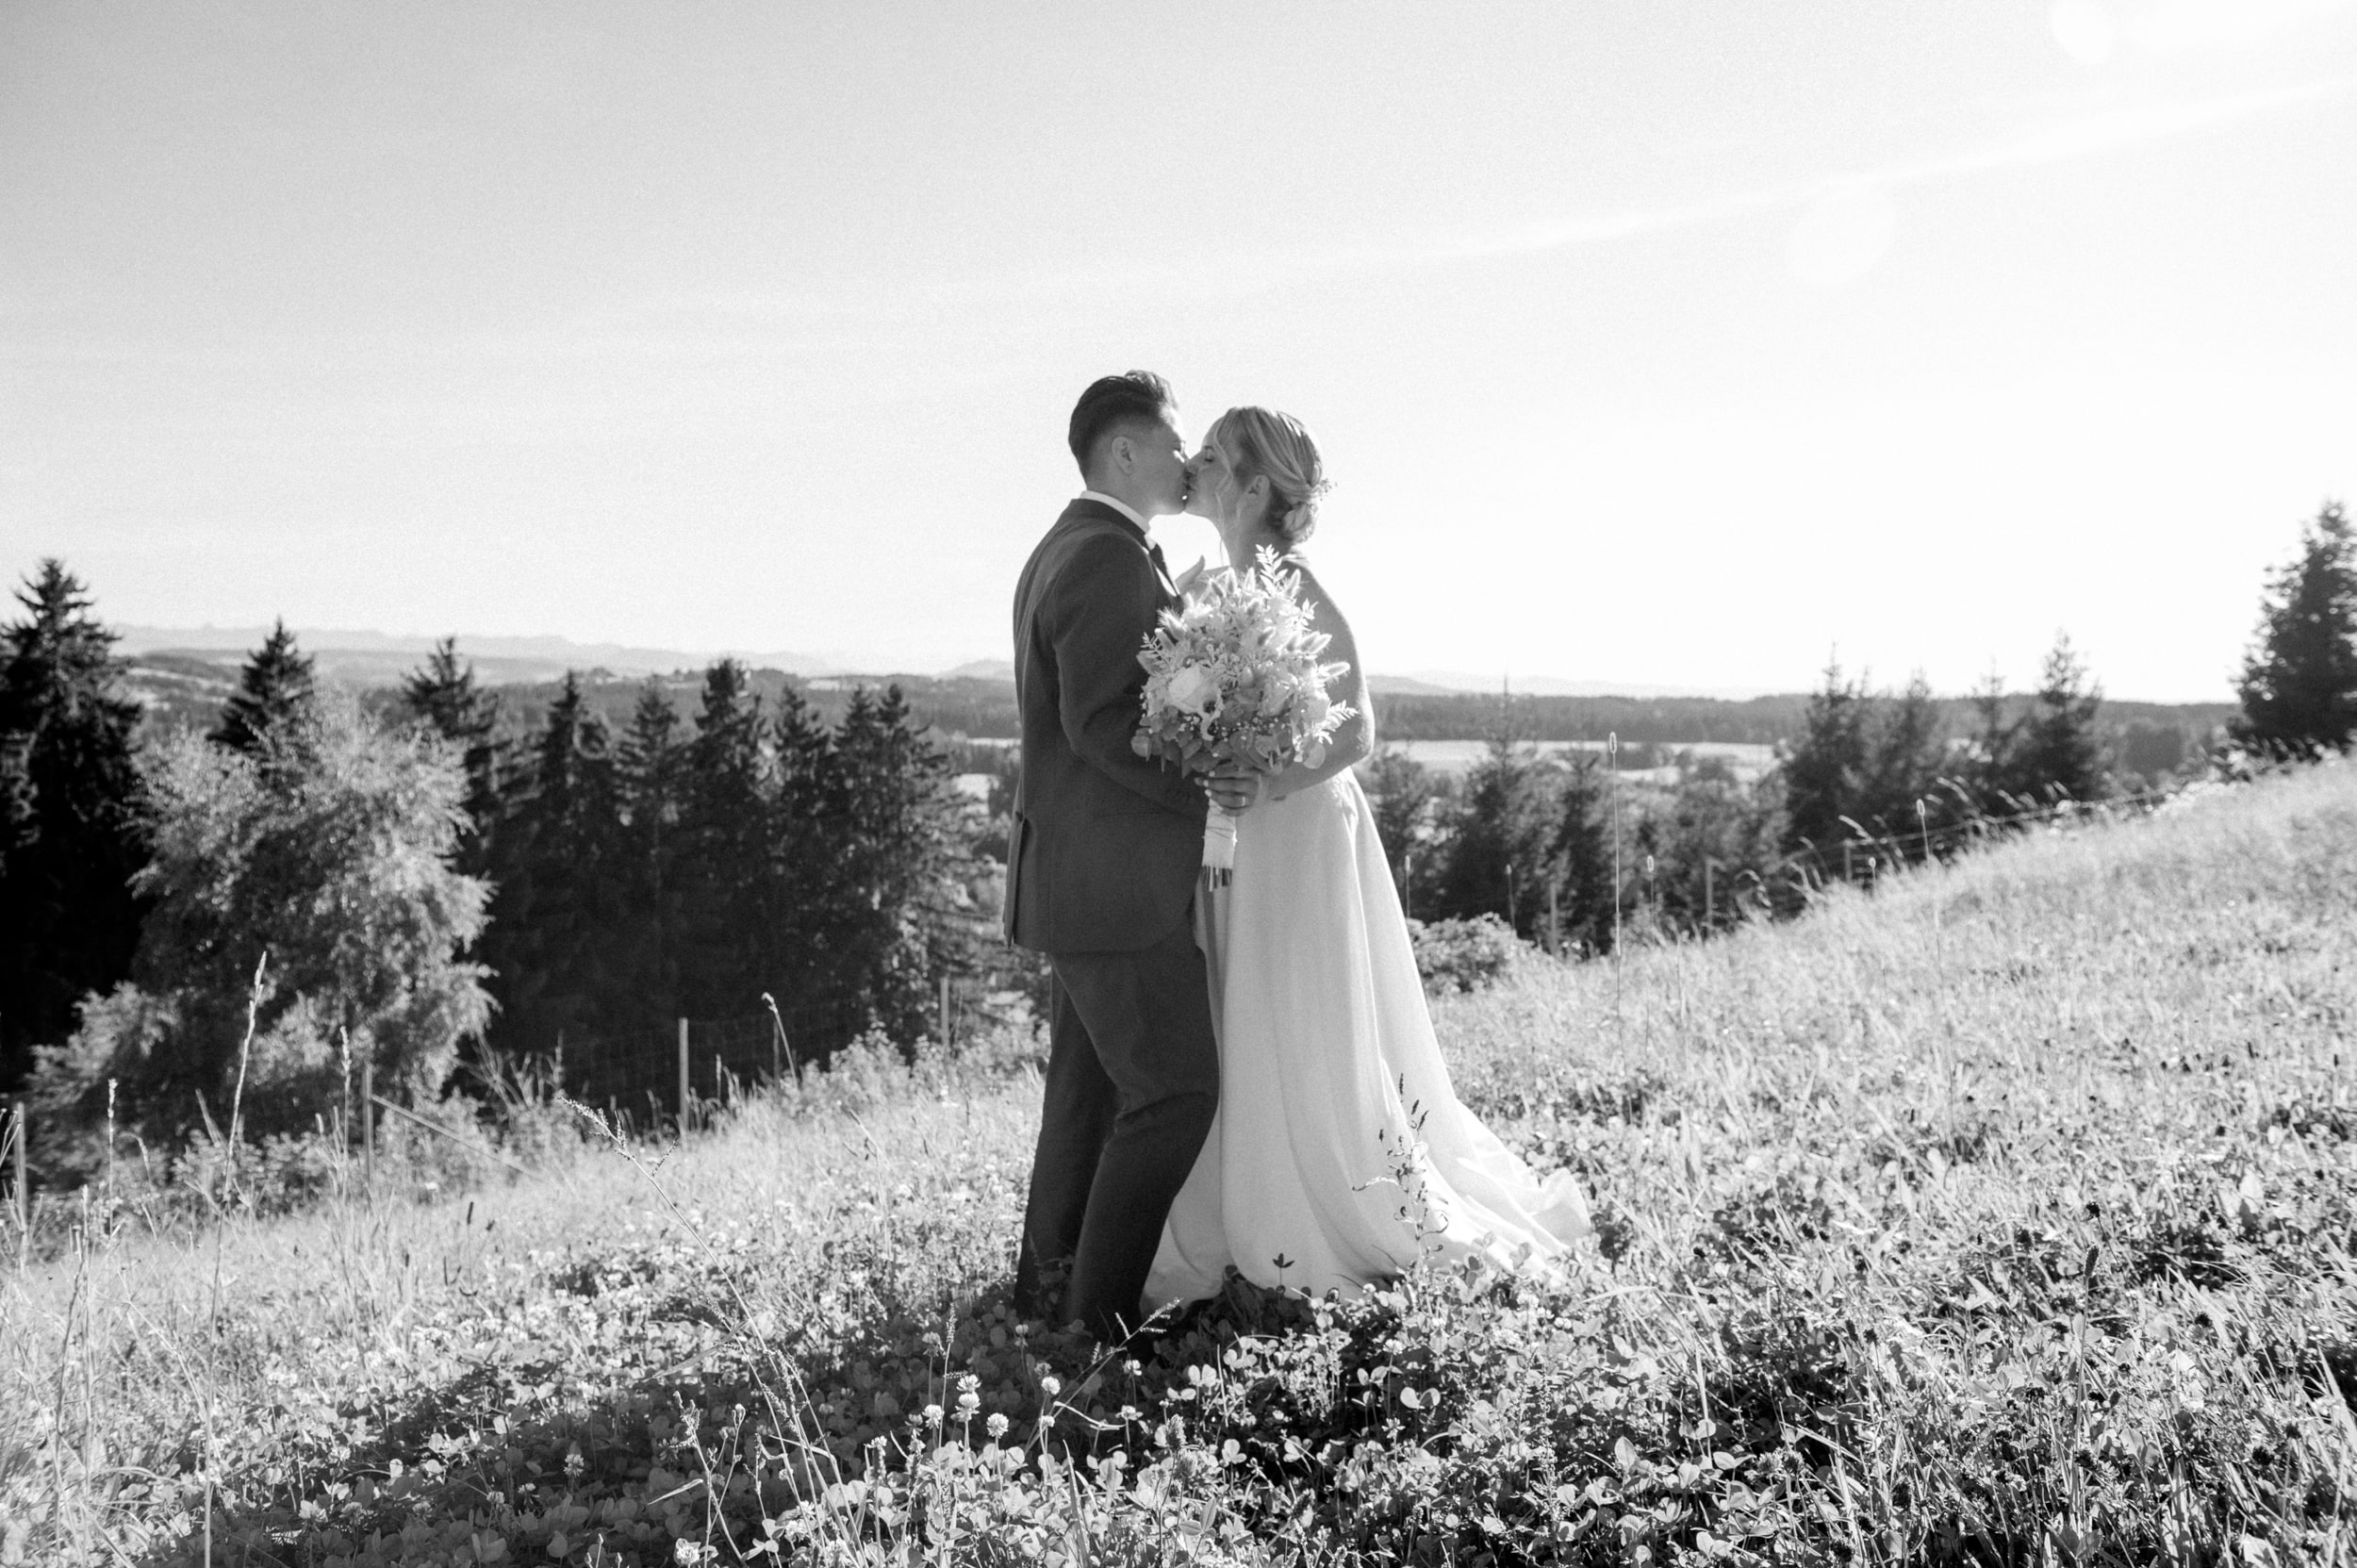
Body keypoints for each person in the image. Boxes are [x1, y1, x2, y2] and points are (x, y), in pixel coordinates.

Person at [1145, 406, 1591, 1311]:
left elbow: (1358, 729)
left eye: (1214, 458)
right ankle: (1241, 1195)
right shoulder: (1218, 582)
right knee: (1244, 1005)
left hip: (1299, 832)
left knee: (1300, 1008)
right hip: (1248, 833)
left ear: (1257, 485)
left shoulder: (1294, 582)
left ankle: (1325, 1193)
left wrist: (1261, 775)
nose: (1196, 465)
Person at [1006, 371, 1262, 1341]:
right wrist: (1210, 780)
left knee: (1086, 1096)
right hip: (1111, 886)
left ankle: (1047, 1294)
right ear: (1124, 451)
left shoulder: (1086, 547)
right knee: (1175, 1092)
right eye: (1173, 443)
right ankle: (1097, 1324)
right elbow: (1104, 724)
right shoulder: (1105, 557)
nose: (1185, 460)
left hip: (1080, 881)